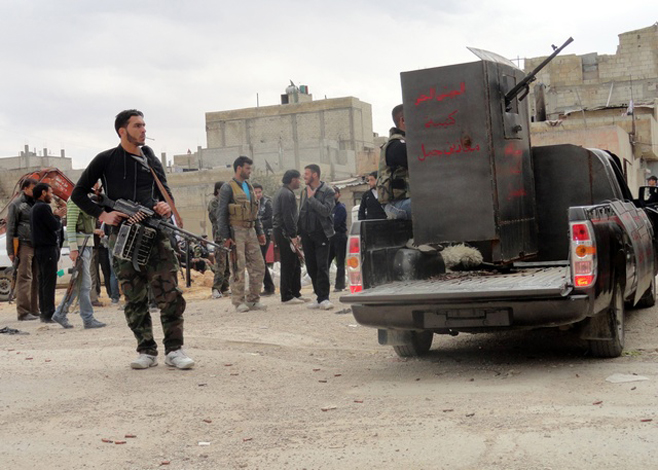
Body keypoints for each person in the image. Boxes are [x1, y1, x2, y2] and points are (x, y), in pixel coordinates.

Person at [70, 109, 194, 370]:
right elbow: (78, 194)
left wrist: (164, 206)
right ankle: (146, 350)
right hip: (124, 236)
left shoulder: (150, 158)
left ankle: (174, 350)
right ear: (122, 130)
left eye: (144, 125)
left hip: (155, 234)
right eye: (137, 125)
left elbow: (165, 192)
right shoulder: (105, 159)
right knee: (134, 295)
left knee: (169, 293)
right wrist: (103, 214)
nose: (144, 130)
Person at [217, 156, 267, 312]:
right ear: (239, 168)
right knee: (238, 266)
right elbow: (221, 214)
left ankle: (253, 299)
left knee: (258, 266)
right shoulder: (228, 188)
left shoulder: (249, 187)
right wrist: (226, 237)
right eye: (247, 168)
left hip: (250, 231)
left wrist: (260, 232)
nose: (249, 171)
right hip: (236, 231)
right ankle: (239, 301)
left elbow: (254, 212)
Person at [51, 197, 106, 329]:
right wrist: (74, 249)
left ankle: (61, 313)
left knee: (80, 284)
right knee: (84, 285)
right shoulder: (76, 200)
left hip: (86, 245)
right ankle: (87, 318)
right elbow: (70, 226)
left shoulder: (85, 199)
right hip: (81, 247)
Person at [298, 164, 335, 310]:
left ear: (314, 175)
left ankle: (325, 298)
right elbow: (301, 212)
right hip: (307, 235)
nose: (304, 176)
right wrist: (297, 233)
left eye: (306, 174)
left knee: (322, 266)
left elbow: (326, 211)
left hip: (322, 234)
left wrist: (312, 199)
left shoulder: (328, 191)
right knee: (311, 267)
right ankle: (319, 297)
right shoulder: (304, 191)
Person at [30, 183, 66, 323]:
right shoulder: (43, 207)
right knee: (49, 282)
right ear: (43, 193)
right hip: (47, 249)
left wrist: (54, 215)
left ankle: (44, 312)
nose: (51, 195)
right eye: (50, 192)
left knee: (43, 281)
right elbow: (54, 226)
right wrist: (58, 217)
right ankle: (49, 313)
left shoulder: (35, 208)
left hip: (40, 249)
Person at [6, 178, 39, 321]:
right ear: (25, 188)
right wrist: (10, 251)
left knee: (36, 277)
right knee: (25, 277)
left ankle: (34, 309)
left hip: (37, 244)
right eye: (32, 188)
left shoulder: (37, 202)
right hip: (24, 244)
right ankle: (23, 312)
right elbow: (10, 228)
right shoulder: (16, 204)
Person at [272, 170, 307, 304]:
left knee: (295, 263)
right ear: (293, 180)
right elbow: (288, 216)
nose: (299, 182)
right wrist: (293, 235)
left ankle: (295, 293)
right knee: (288, 263)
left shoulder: (284, 192)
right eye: (298, 179)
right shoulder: (286, 194)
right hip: (284, 232)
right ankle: (286, 296)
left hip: (285, 232)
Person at [377, 104, 411, 219]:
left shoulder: (404, 143)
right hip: (397, 204)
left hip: (405, 201)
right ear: (403, 120)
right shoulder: (397, 146)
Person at [208, 181, 230, 298]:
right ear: (218, 190)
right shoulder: (214, 202)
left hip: (227, 237)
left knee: (228, 265)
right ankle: (216, 288)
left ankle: (224, 287)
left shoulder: (224, 202)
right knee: (220, 265)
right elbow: (218, 217)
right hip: (219, 238)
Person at [253, 183, 275, 296]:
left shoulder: (267, 203)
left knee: (261, 261)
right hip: (253, 236)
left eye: (259, 192)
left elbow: (271, 220)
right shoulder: (251, 203)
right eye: (255, 192)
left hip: (264, 235)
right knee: (257, 262)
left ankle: (269, 287)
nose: (258, 194)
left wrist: (258, 224)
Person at [328, 186, 347, 292]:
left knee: (340, 262)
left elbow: (335, 223)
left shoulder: (341, 208)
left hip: (339, 237)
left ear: (339, 195)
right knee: (326, 262)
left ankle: (339, 285)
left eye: (334, 193)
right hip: (329, 238)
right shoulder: (327, 208)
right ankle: (323, 285)